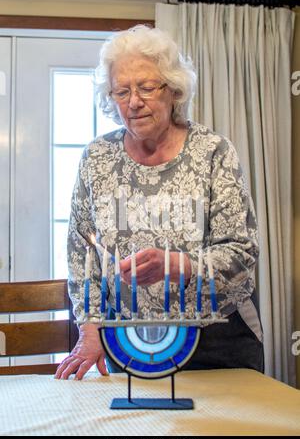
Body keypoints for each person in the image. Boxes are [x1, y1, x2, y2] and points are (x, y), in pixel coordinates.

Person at [55, 25, 263, 381]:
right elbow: (82, 253)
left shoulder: (213, 151)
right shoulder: (96, 159)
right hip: (126, 340)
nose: (134, 101)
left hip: (215, 340)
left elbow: (242, 250)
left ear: (174, 90)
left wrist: (177, 264)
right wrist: (90, 330)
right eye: (122, 91)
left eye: (147, 88)